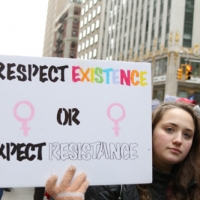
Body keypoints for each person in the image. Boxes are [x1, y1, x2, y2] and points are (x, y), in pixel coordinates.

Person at [45, 102, 200, 200]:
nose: (178, 140)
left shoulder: (194, 186)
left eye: (187, 135)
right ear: (149, 132)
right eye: (169, 129)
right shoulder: (113, 183)